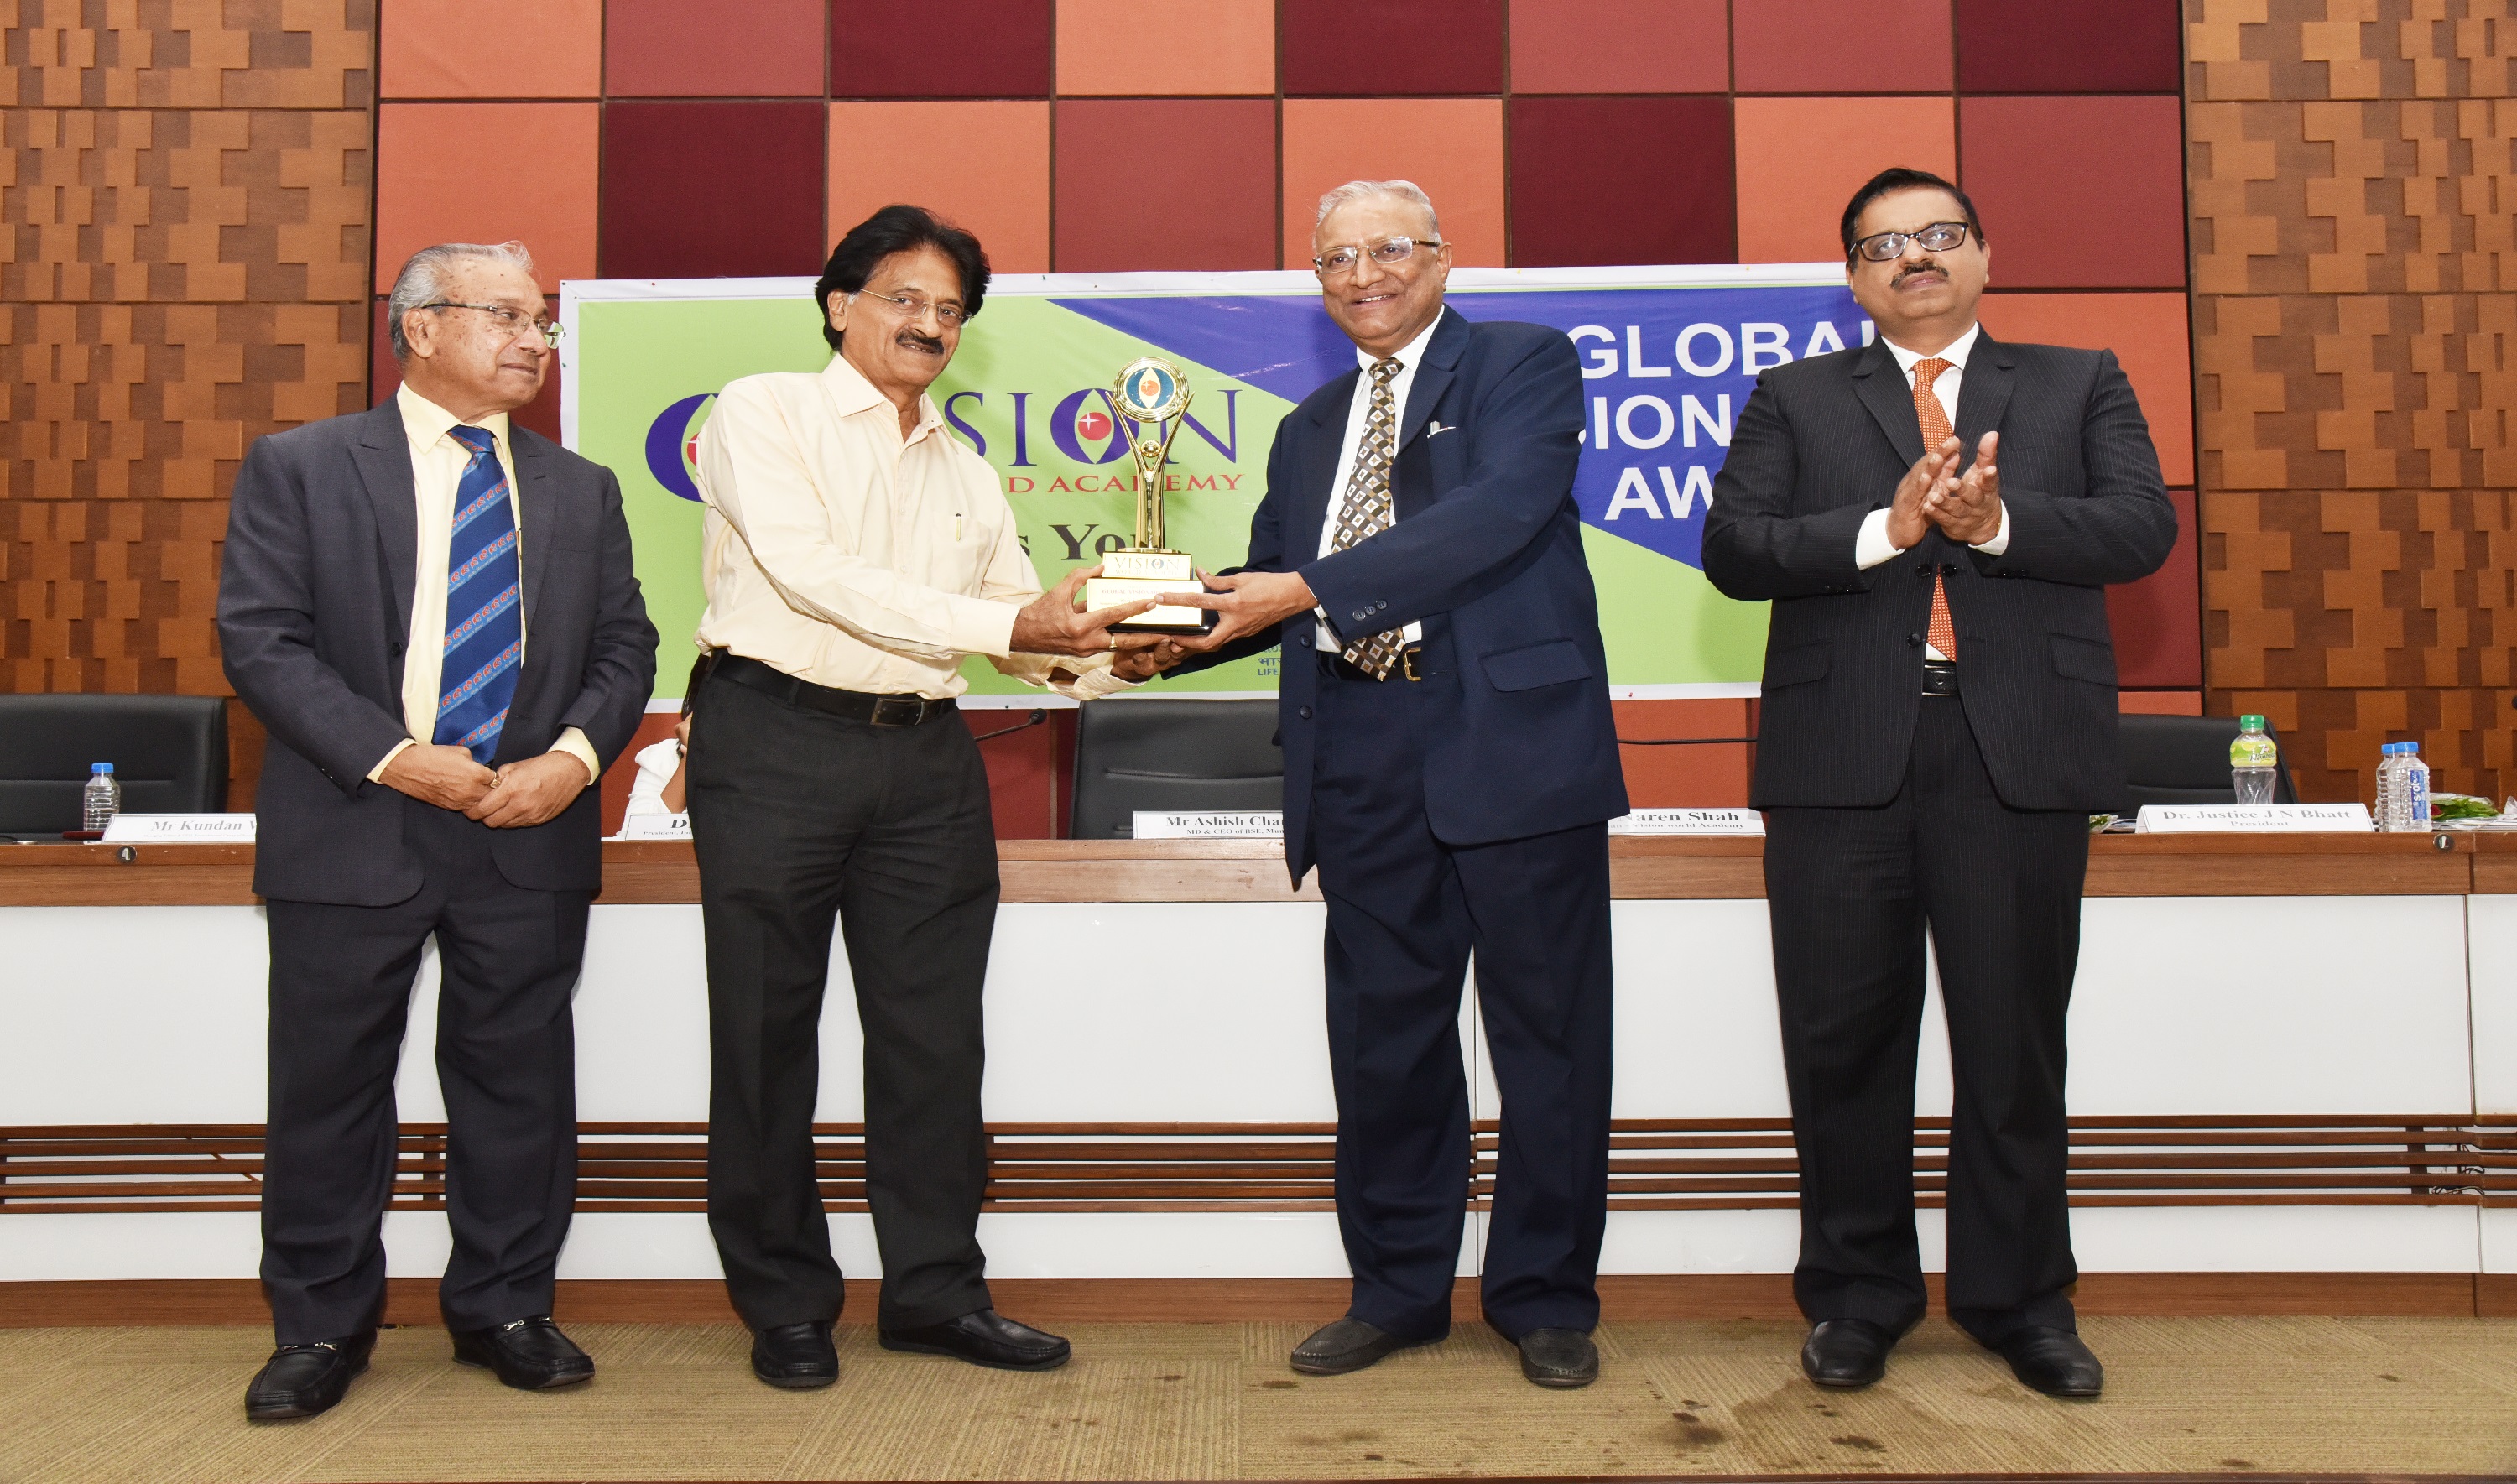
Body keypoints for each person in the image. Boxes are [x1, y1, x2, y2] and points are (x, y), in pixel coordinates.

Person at [1701, 169, 2177, 1400]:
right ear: (1853, 278)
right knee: (1843, 1045)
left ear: (1983, 254)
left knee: (2012, 1046)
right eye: (1885, 244)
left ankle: (2021, 1301)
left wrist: (1998, 523)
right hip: (1841, 758)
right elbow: (1735, 549)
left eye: (1940, 234)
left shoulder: (2079, 380)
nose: (1915, 256)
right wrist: (1891, 529)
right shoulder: (1795, 396)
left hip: (2014, 752)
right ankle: (1857, 1296)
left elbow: (2141, 528)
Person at [1152, 180, 1627, 1389]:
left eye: (1388, 249)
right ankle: (1399, 1292)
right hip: (1358, 750)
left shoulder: (1523, 364)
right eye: (1335, 259)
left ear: (1442, 259)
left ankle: (1545, 1298)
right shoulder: (1309, 423)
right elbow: (1268, 577)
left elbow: (1499, 513)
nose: (1362, 274)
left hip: (1513, 745)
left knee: (1550, 1037)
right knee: (1384, 1044)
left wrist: (1308, 589)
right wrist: (1162, 637)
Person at [686, 205, 1165, 1390]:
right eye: (904, 298)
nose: (930, 324)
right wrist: (1018, 625)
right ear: (839, 304)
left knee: (935, 1040)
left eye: (950, 310)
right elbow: (816, 576)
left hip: (925, 760)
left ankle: (936, 1292)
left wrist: (1121, 656)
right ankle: (785, 1301)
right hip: (775, 739)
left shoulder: (966, 468)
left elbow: (1019, 629)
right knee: (764, 1032)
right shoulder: (762, 409)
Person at [217, 240, 656, 1420]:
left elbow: (626, 647)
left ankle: (506, 1307)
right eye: (505, 315)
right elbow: (261, 638)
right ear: (420, 328)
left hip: (524, 826)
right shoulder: (302, 466)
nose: (533, 340)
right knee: (328, 1090)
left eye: (541, 322)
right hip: (353, 817)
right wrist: (397, 756)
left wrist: (570, 764)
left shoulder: (581, 487)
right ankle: (319, 1326)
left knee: (519, 1086)